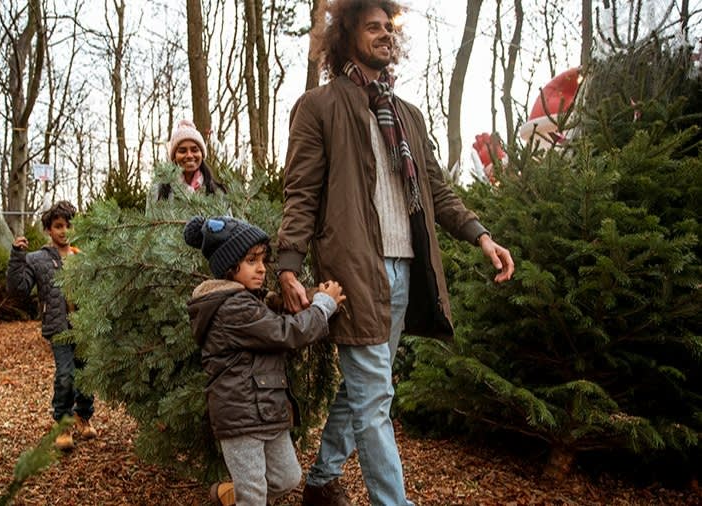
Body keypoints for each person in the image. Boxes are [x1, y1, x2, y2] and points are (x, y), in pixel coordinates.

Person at [276, 2, 516, 505]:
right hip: (353, 272)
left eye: (389, 27)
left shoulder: (406, 114)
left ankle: (320, 482)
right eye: (373, 27)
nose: (385, 34)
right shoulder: (319, 106)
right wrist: (289, 266)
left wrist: (481, 235)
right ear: (346, 35)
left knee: (365, 385)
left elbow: (436, 188)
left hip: (405, 269)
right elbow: (301, 194)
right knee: (375, 398)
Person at [184, 215, 347, 506]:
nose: (261, 268)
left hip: (267, 410)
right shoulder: (233, 308)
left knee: (287, 478)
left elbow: (272, 324)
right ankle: (245, 497)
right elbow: (286, 333)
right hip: (240, 416)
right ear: (229, 266)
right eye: (251, 261)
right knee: (255, 497)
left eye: (263, 260)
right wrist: (324, 306)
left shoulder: (250, 302)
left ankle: (230, 494)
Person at [7, 200, 97, 451]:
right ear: (48, 229)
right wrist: (17, 256)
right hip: (59, 328)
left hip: (84, 327)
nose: (64, 231)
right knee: (66, 375)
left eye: (69, 226)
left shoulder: (82, 258)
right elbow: (18, 290)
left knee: (86, 375)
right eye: (58, 226)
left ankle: (84, 415)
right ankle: (63, 424)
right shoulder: (37, 260)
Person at [152, 119, 226, 202]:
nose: (189, 155)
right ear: (174, 157)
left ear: (202, 154)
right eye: (182, 151)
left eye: (194, 150)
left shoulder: (217, 192)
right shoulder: (159, 191)